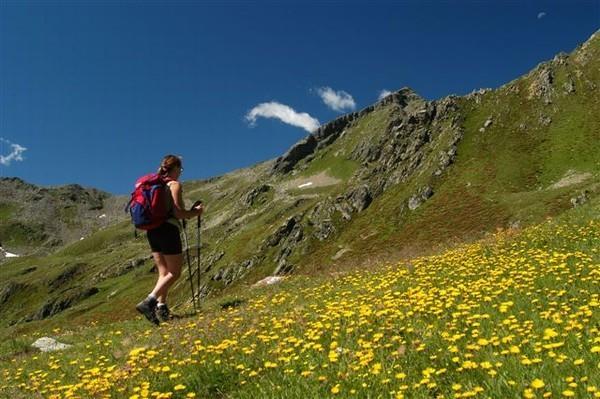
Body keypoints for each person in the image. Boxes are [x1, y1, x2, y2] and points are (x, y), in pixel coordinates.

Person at [136, 155, 203, 325]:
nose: (180, 172)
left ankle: (161, 306)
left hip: (152, 231)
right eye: (180, 169)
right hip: (168, 230)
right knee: (175, 272)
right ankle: (149, 301)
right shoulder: (174, 185)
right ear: (174, 169)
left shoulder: (155, 185)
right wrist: (196, 212)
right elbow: (179, 213)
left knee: (163, 273)